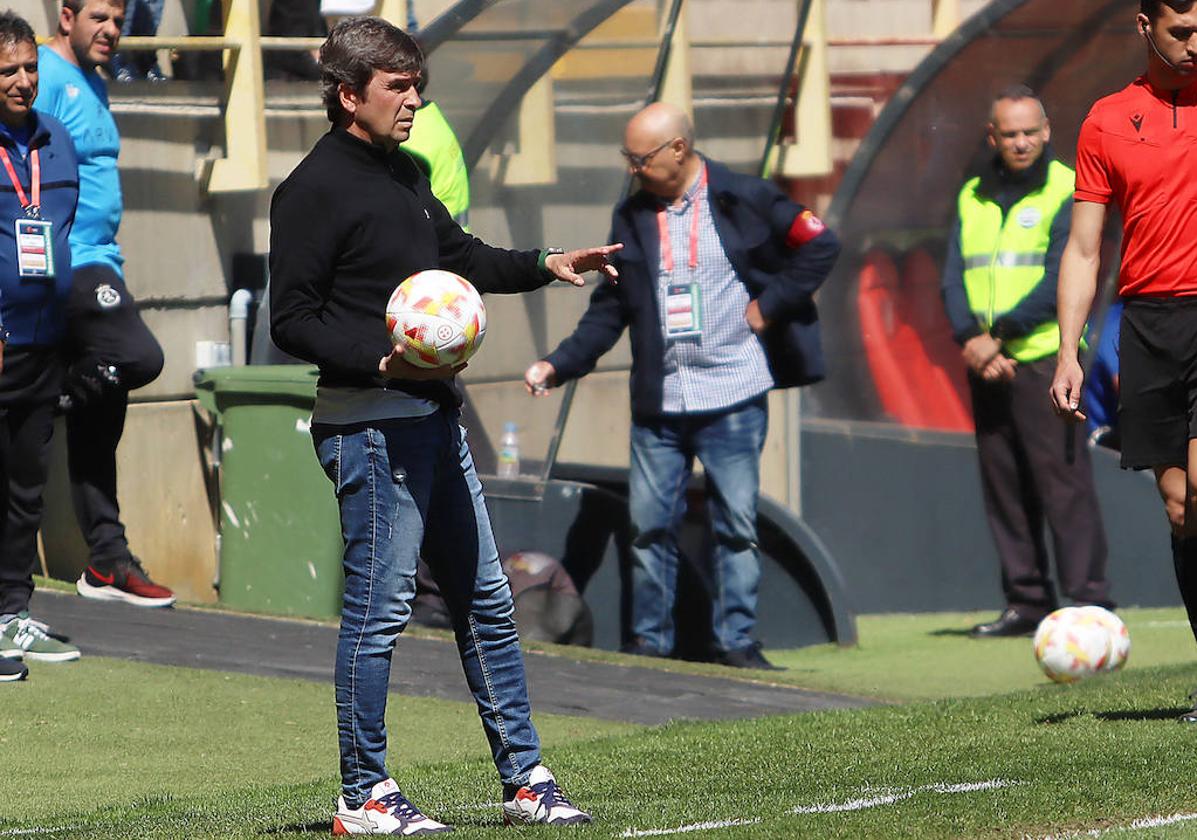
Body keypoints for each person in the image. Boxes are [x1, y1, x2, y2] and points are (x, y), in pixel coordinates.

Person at [269, 17, 620, 832]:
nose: (414, 100)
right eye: (397, 86)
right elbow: (292, 319)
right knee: (380, 610)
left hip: (433, 417)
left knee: (488, 601)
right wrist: (378, 361)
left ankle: (525, 779)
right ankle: (363, 793)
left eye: (417, 84)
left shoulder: (407, 172)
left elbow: (459, 258)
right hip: (368, 425)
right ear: (348, 94)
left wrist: (544, 265)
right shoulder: (313, 189)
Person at [524, 103, 840, 670]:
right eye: (627, 159)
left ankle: (737, 643)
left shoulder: (745, 196)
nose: (632, 170)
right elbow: (611, 307)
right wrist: (557, 364)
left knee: (737, 526)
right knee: (648, 528)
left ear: (678, 149)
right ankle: (650, 643)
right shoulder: (633, 215)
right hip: (661, 401)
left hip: (734, 395)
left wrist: (771, 305)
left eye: (640, 159)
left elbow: (820, 244)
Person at [1052, 0, 1197, 720]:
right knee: (1181, 508)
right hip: (1146, 322)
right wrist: (1068, 351)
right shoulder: (1106, 119)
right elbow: (1084, 248)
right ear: (1144, 26)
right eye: (1182, 31)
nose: (1196, 43)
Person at [940, 86, 1112, 639]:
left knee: (1064, 487)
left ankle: (1090, 604)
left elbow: (1064, 271)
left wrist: (1000, 336)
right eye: (1008, 133)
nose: (1019, 142)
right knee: (1005, 488)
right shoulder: (972, 193)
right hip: (986, 364)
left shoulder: (1069, 187)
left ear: (1046, 131)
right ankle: (1027, 601)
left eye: (1028, 131)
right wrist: (969, 337)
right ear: (992, 136)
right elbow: (952, 275)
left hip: (1043, 360)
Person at [37, 0, 173, 609]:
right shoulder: (41, 75)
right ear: (66, 16)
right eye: (99, 17)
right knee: (137, 356)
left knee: (105, 401)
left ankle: (108, 561)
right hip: (68, 260)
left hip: (102, 259)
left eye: (118, 20)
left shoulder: (95, 82)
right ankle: (57, 390)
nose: (111, 31)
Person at [0, 10, 83, 668]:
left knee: (27, 486)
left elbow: (60, 233)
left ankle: (12, 612)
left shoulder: (56, 138)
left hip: (42, 343)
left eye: (30, 67)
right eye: (8, 70)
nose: (24, 80)